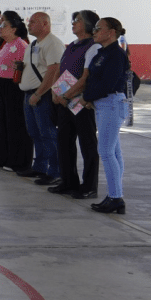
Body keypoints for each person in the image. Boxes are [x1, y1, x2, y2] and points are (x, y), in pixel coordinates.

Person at [49, 10, 101, 200]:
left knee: (87, 144)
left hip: (80, 100)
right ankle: (68, 181)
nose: (73, 23)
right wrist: (56, 92)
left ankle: (89, 186)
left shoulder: (93, 46)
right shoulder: (72, 45)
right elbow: (60, 69)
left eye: (77, 21)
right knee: (64, 141)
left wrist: (68, 95)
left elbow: (87, 77)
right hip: (64, 99)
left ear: (88, 24)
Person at [80, 17, 130, 215]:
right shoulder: (103, 52)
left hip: (111, 103)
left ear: (111, 32)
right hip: (103, 104)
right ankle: (114, 195)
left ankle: (116, 197)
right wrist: (90, 97)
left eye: (99, 28)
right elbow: (94, 79)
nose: (94, 31)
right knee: (114, 152)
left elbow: (108, 83)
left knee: (107, 152)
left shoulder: (116, 55)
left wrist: (87, 97)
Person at [18, 12, 66, 184]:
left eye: (33, 22)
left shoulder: (53, 43)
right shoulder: (33, 44)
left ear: (45, 24)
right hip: (30, 94)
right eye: (29, 22)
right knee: (35, 133)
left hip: (42, 95)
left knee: (48, 133)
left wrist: (39, 94)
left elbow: (54, 70)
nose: (29, 25)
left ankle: (55, 171)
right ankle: (40, 167)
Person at [0, 11, 31, 173]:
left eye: (4, 25)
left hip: (14, 86)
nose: (0, 29)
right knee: (4, 122)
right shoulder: (6, 44)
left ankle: (17, 160)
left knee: (15, 123)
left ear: (14, 28)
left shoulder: (21, 44)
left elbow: (24, 67)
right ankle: (5, 156)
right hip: (3, 85)